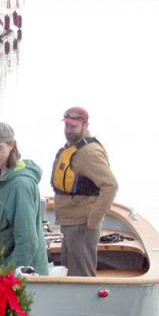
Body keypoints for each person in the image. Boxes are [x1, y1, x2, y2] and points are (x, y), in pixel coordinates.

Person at [50, 106, 118, 277]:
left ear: (85, 125)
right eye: (67, 126)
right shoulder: (73, 148)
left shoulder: (88, 152)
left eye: (73, 126)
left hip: (82, 225)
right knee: (69, 271)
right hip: (71, 222)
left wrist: (93, 220)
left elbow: (110, 186)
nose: (69, 130)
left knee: (82, 275)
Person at [0, 122, 49, 275]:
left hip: (22, 276)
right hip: (2, 268)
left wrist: (6, 275)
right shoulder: (3, 178)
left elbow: (28, 241)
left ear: (11, 145)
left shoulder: (20, 184)